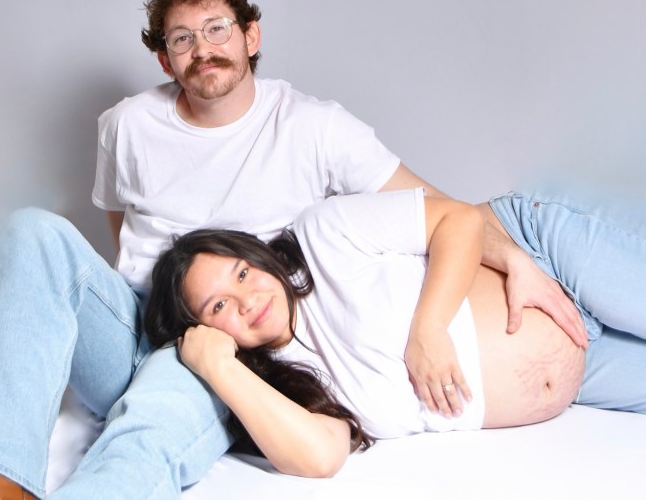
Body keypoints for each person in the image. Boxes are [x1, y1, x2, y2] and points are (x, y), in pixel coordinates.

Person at [0, 0, 583, 500]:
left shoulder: (313, 126)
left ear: (250, 35)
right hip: (140, 318)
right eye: (182, 38)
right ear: (164, 58)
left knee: (157, 412)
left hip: (220, 340)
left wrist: (511, 256)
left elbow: (431, 202)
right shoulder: (127, 125)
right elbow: (123, 228)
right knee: (31, 232)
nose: (202, 48)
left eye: (217, 29)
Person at [143, 186, 645, 476]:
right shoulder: (288, 390)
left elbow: (459, 221)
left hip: (541, 257)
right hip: (584, 368)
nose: (248, 300)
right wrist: (218, 367)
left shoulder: (323, 235)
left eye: (242, 273)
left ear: (256, 256)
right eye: (219, 306)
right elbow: (321, 458)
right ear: (205, 330)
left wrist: (428, 330)